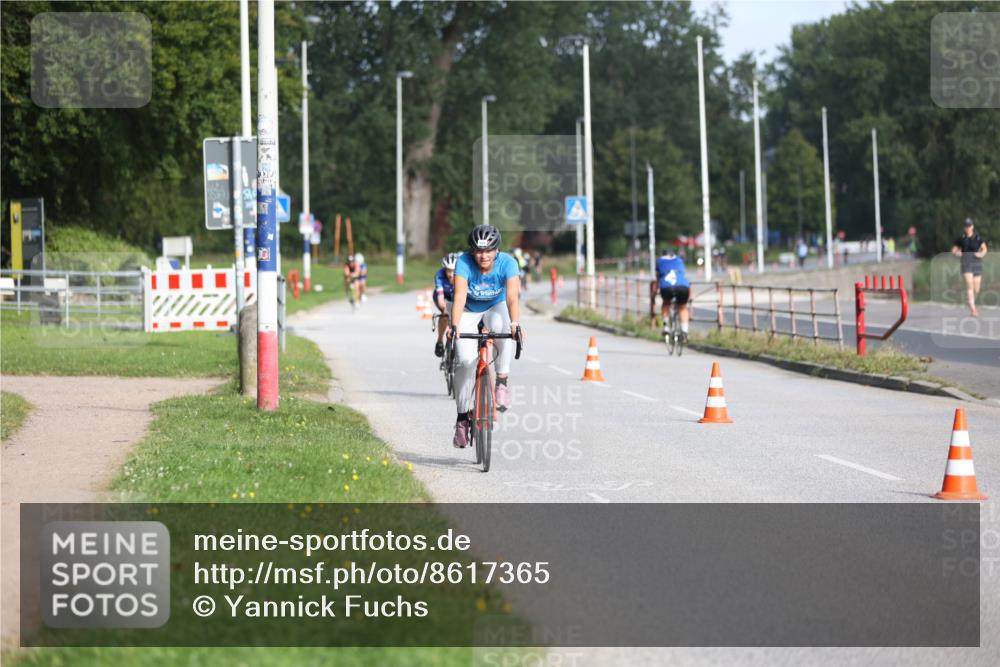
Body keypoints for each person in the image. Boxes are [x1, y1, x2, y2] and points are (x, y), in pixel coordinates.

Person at [448, 225, 523, 449]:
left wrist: (515, 324)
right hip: (468, 311)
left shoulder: (508, 263)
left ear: (496, 250)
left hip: (495, 306)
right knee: (465, 362)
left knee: (504, 328)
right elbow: (460, 295)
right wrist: (454, 325)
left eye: (489, 251)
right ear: (472, 251)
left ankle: (501, 381)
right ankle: (462, 418)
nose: (484, 256)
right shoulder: (463, 262)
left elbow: (511, 298)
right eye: (479, 251)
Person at [951, 218, 988, 317]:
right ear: (964, 227)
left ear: (972, 226)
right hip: (966, 262)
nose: (967, 228)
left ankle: (970, 302)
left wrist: (981, 254)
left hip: (976, 262)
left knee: (977, 289)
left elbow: (984, 249)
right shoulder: (961, 238)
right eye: (966, 226)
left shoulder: (978, 237)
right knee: (969, 286)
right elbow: (954, 250)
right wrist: (957, 253)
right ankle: (973, 309)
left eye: (969, 226)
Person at [655, 247, 690, 341]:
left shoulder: (659, 261)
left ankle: (666, 326)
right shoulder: (679, 260)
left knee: (666, 303)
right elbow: (683, 275)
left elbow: (658, 277)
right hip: (682, 286)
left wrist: (655, 291)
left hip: (666, 286)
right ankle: (685, 331)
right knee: (682, 307)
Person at [432, 252, 459, 357]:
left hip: (456, 297)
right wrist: (445, 310)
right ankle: (439, 341)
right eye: (448, 270)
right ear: (444, 269)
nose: (451, 274)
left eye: (454, 271)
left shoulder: (462, 275)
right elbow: (440, 298)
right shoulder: (439, 275)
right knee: (445, 314)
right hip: (443, 297)